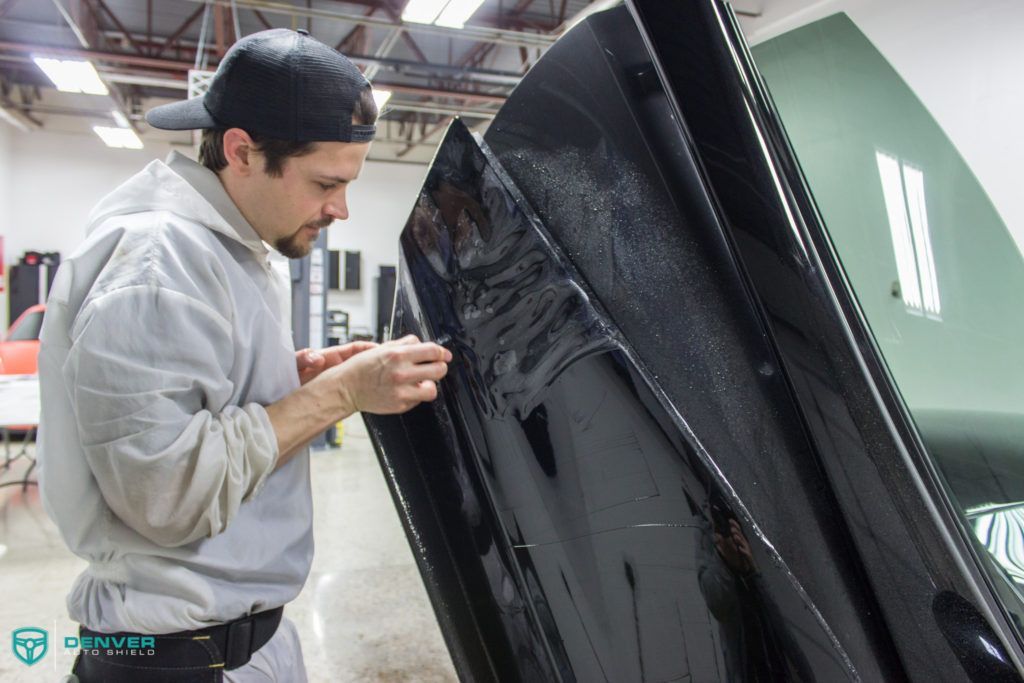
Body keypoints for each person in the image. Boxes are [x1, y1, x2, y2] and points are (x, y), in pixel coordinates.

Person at [36, 28, 451, 682]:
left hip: (244, 639)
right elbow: (166, 495)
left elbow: (209, 410)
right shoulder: (157, 268)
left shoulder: (242, 246)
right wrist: (337, 395)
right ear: (243, 152)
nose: (340, 208)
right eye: (324, 182)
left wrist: (295, 380)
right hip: (175, 657)